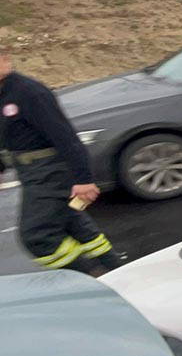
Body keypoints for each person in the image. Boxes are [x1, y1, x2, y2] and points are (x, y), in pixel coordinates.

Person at [0, 51, 125, 275]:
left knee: (37, 235)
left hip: (51, 172)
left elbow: (66, 137)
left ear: (5, 59)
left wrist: (83, 180)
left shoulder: (29, 93)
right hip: (29, 171)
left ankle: (88, 277)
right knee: (73, 222)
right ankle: (117, 269)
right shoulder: (3, 94)